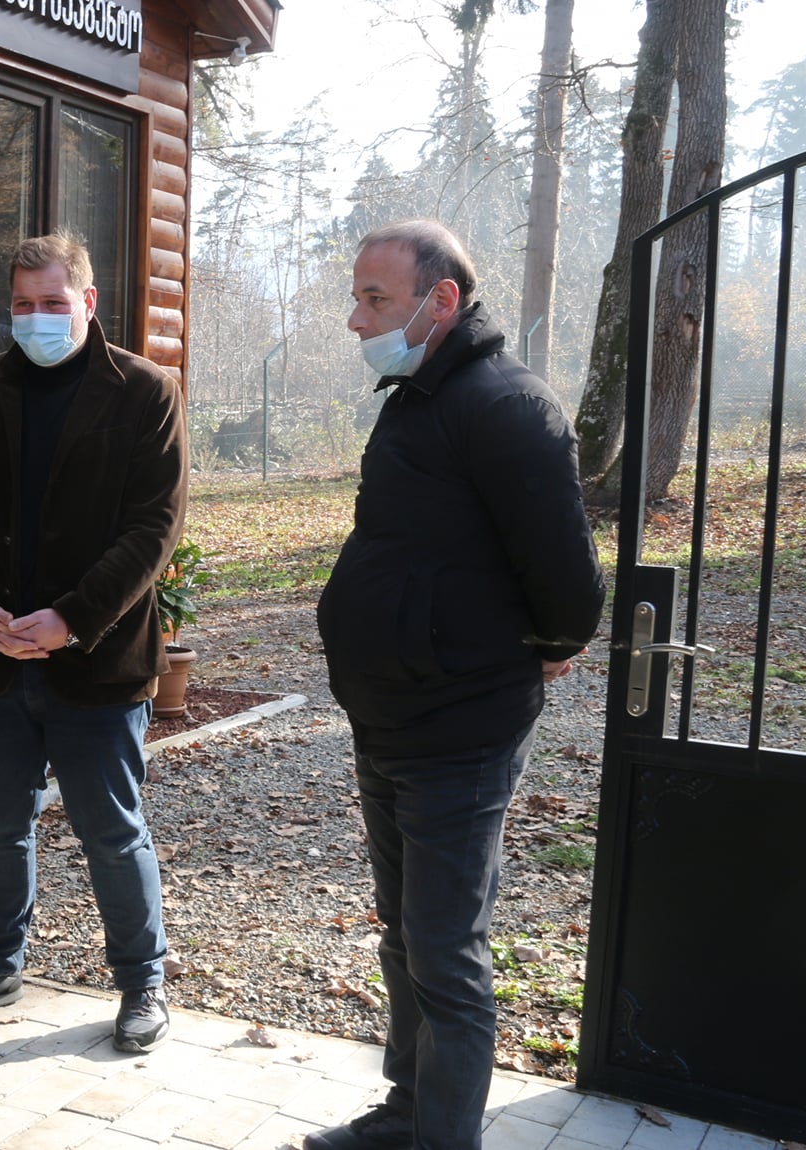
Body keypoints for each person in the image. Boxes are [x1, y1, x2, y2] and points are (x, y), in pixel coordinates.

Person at [311, 220, 605, 1150]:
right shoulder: (416, 397)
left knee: (445, 950)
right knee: (406, 938)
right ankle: (408, 1116)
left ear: (442, 299)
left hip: (461, 728)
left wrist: (551, 643)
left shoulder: (508, 406)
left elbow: (568, 580)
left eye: (375, 299)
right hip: (388, 717)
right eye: (357, 297)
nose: (357, 320)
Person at [0, 232, 188, 1052]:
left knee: (113, 830)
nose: (36, 317)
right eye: (22, 304)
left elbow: (154, 527)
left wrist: (72, 617)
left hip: (97, 659)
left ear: (88, 302)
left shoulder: (145, 391)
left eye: (53, 303)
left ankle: (142, 982)